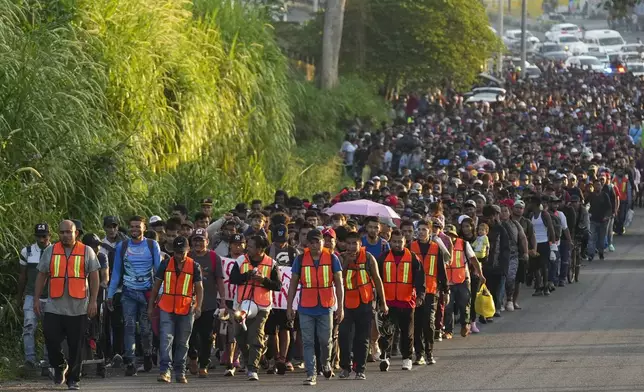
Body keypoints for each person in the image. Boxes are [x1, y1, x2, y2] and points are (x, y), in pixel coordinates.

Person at [33, 220, 100, 390]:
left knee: (75, 345)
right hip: (54, 305)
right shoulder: (51, 250)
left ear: (76, 233)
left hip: (78, 307)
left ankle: (73, 379)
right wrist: (36, 299)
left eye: (68, 232)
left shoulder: (87, 251)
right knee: (50, 337)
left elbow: (94, 277)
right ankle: (59, 365)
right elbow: (41, 275)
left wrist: (93, 301)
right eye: (62, 232)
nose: (65, 235)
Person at [287, 229, 344, 386]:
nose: (314, 245)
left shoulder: (332, 258)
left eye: (317, 241)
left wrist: (341, 307)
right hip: (305, 306)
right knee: (308, 342)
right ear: (307, 244)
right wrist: (289, 306)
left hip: (326, 306)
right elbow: (292, 285)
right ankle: (311, 374)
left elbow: (339, 284)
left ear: (322, 242)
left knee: (326, 341)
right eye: (311, 242)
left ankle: (325, 363)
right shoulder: (300, 259)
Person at [107, 216, 162, 376]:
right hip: (128, 292)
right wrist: (110, 294)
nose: (134, 229)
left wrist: (159, 292)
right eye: (132, 226)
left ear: (144, 228)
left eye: (138, 226)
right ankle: (130, 361)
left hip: (147, 294)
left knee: (145, 329)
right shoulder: (122, 247)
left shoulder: (152, 245)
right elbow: (116, 272)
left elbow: (159, 271)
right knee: (129, 326)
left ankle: (146, 354)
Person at [148, 236, 204, 384]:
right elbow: (156, 287)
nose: (179, 256)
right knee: (166, 339)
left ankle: (180, 371)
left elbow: (199, 289)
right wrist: (150, 306)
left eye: (182, 252)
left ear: (188, 250)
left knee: (183, 342)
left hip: (186, 308)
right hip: (166, 306)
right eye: (177, 252)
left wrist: (198, 306)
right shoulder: (165, 264)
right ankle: (165, 371)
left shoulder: (194, 266)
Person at [229, 235, 282, 381]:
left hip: (262, 307)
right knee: (239, 335)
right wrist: (247, 276)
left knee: (255, 335)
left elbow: (278, 286)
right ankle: (249, 360)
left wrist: (263, 280)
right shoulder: (241, 260)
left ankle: (253, 368)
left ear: (259, 249)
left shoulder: (271, 263)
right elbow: (233, 279)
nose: (247, 248)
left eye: (251, 246)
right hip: (241, 304)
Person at [338, 231, 387, 380]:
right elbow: (339, 278)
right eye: (349, 244)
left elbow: (378, 280)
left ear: (361, 244)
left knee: (363, 338)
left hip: (364, 303)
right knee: (344, 336)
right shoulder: (341, 258)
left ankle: (360, 369)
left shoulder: (368, 258)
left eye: (355, 244)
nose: (352, 247)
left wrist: (383, 303)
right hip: (345, 303)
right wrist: (347, 262)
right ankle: (345, 367)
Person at [377, 229, 425, 372]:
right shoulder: (383, 258)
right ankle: (385, 357)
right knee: (386, 332)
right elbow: (377, 279)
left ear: (405, 242)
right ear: (390, 242)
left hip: (407, 301)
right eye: (395, 241)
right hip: (388, 302)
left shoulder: (413, 258)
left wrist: (420, 296)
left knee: (407, 333)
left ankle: (407, 359)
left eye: (400, 242)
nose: (397, 244)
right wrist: (379, 300)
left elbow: (420, 279)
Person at [187, 228, 226, 377]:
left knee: (207, 336)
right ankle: (193, 357)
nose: (197, 243)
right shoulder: (188, 256)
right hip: (189, 303)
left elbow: (219, 281)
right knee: (190, 334)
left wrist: (222, 301)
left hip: (209, 303)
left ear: (207, 242)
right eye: (195, 240)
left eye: (200, 240)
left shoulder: (214, 257)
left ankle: (204, 364)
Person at [409, 219, 448, 365]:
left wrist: (445, 289)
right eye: (419, 229)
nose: (421, 232)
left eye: (424, 229)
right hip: (414, 291)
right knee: (417, 323)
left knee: (429, 323)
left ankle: (429, 352)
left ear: (430, 232)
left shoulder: (435, 248)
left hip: (431, 291)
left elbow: (441, 270)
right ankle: (418, 354)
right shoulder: (410, 247)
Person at [17, 223, 51, 370]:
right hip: (31, 295)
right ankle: (29, 360)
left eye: (44, 236)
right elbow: (22, 276)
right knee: (29, 326)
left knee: (50, 329)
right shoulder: (27, 251)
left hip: (51, 296)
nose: (41, 240)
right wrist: (19, 296)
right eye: (39, 236)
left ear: (49, 236)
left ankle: (48, 360)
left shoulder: (56, 251)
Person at [265, 224, 298, 374]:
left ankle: (284, 359)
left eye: (283, 240)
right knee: (271, 330)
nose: (280, 243)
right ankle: (275, 357)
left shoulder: (293, 253)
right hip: (270, 293)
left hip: (287, 296)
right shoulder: (267, 251)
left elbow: (298, 275)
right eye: (277, 240)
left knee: (286, 327)